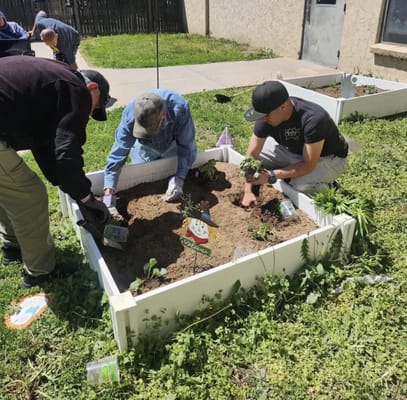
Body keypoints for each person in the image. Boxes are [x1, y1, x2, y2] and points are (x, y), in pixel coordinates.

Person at [0, 55, 111, 289]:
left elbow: (44, 145)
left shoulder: (56, 80)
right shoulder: (77, 90)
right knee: (29, 195)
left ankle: (12, 246)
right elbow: (66, 155)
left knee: (9, 188)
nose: (89, 114)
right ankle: (40, 273)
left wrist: (71, 188)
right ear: (92, 88)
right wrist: (87, 198)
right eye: (95, 107)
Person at [242, 80, 348, 206]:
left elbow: (308, 165)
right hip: (293, 151)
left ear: (283, 106)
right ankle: (293, 176)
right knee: (256, 160)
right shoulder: (266, 115)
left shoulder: (313, 119)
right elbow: (252, 155)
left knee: (300, 184)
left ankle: (330, 187)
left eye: (265, 115)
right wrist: (247, 191)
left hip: (328, 159)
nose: (262, 119)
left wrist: (271, 175)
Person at [104, 89, 197, 202]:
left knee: (169, 171)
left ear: (163, 116)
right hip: (144, 148)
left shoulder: (179, 108)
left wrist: (179, 179)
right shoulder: (130, 116)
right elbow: (119, 152)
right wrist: (109, 192)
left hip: (171, 145)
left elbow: (186, 146)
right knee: (141, 180)